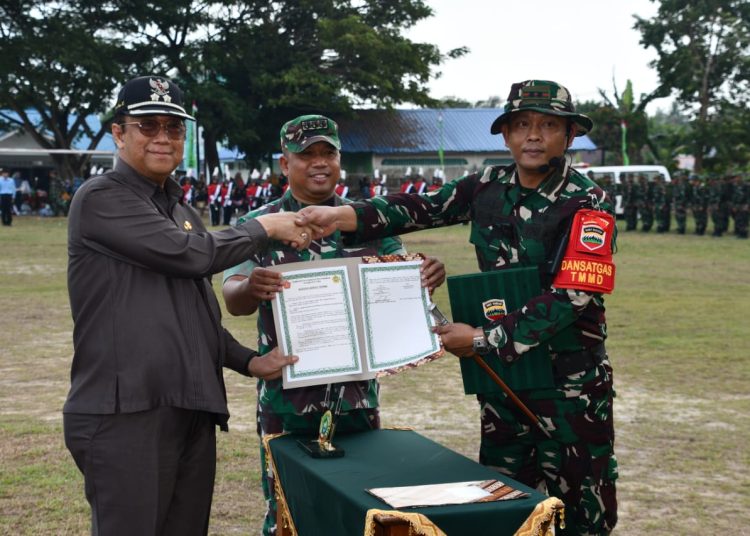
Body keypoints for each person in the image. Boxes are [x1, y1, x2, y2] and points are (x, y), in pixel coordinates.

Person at [297, 80, 619, 535]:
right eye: (522, 124)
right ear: (505, 135)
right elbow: (421, 208)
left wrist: (483, 339)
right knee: (506, 508)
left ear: (568, 137)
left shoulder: (588, 202)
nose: (533, 135)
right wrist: (342, 216)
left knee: (580, 515)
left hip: (570, 391)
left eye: (548, 125)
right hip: (504, 386)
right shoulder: (487, 185)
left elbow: (572, 296)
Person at [62, 75, 312, 536]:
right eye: (147, 126)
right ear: (119, 133)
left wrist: (250, 362)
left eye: (173, 129)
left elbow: (195, 313)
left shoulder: (181, 210)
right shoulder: (102, 198)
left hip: (188, 408)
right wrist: (265, 228)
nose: (162, 137)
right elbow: (192, 256)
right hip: (127, 413)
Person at [221, 114, 445, 536]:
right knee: (289, 508)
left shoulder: (367, 221)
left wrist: (426, 275)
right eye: (307, 155)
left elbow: (402, 283)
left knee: (360, 508)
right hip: (288, 396)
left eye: (328, 153)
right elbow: (233, 299)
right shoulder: (262, 223)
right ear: (285, 164)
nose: (319, 163)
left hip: (357, 397)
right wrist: (251, 285)